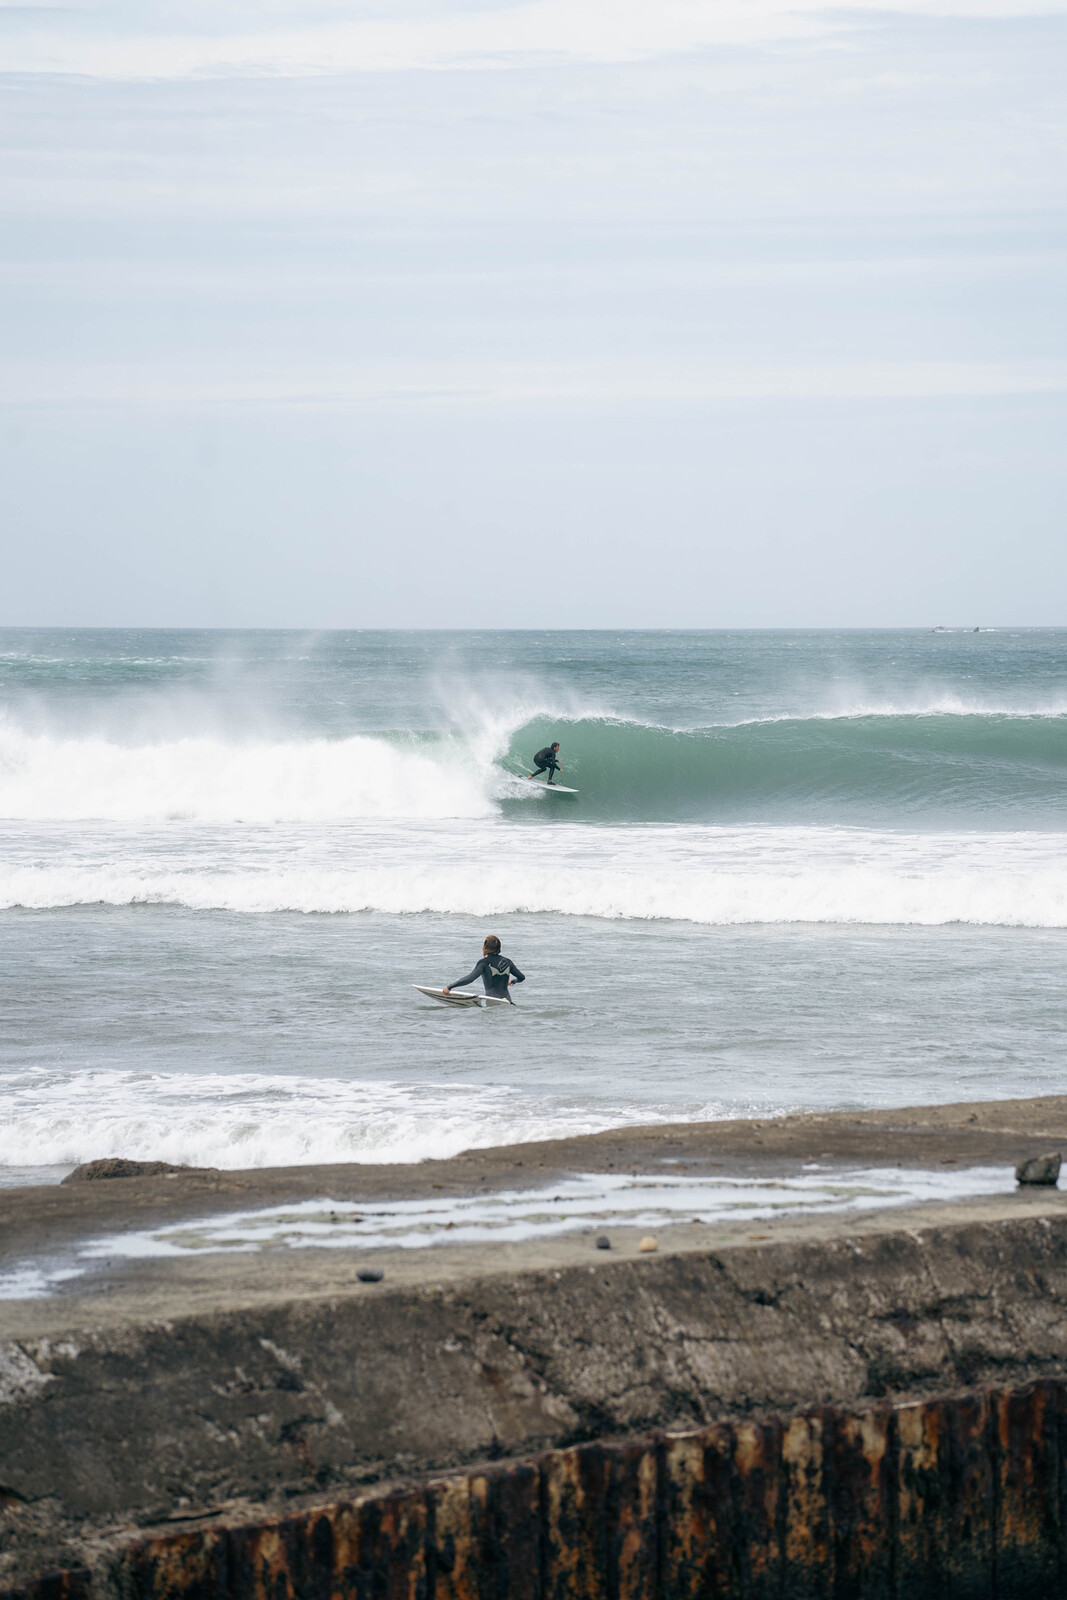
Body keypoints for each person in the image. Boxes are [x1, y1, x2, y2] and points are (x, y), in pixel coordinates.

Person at [442, 934, 525, 1003]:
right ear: (499, 947)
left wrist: (449, 987)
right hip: (507, 1001)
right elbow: (521, 977)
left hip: (492, 1001)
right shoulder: (507, 962)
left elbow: (470, 978)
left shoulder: (484, 963)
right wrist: (513, 981)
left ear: (485, 946)